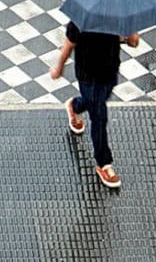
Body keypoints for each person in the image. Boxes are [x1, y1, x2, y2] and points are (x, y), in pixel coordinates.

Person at [50, 23, 140, 189]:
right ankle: (104, 163)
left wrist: (129, 33)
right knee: (99, 116)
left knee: (95, 102)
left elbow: (134, 42)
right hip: (88, 75)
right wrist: (59, 68)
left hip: (110, 71)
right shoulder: (80, 20)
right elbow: (68, 45)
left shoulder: (118, 17)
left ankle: (75, 106)